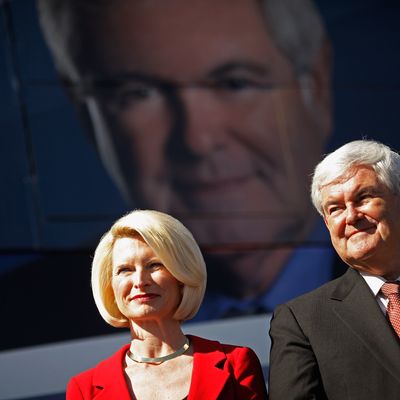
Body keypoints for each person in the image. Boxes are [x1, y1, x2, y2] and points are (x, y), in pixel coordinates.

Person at [36, 0, 338, 318]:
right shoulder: (27, 316)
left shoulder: (392, 282)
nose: (197, 141)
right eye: (138, 93)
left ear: (315, 87)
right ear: (87, 116)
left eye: (234, 83)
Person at [67, 209, 267, 399]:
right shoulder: (85, 389)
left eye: (154, 265)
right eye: (125, 270)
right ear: (110, 286)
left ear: (182, 276)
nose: (140, 281)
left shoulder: (236, 364)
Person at [268, 139, 400, 399]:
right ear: (327, 224)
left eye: (363, 198)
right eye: (335, 208)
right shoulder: (301, 320)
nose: (351, 216)